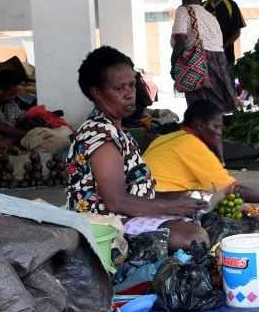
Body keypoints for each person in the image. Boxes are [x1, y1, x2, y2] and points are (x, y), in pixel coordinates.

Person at [68, 46, 208, 250]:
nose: (129, 94)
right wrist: (171, 206)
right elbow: (116, 201)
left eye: (131, 85)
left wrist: (179, 197)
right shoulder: (100, 137)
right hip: (104, 225)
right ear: (96, 93)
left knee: (201, 215)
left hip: (125, 214)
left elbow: (136, 192)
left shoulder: (118, 131)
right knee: (193, 238)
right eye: (119, 88)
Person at [144, 99, 259, 207]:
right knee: (217, 200)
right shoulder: (192, 145)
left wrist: (218, 152)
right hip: (160, 201)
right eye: (216, 127)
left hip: (143, 197)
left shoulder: (168, 138)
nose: (219, 133)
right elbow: (231, 188)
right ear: (199, 125)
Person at [171, 0, 238, 113]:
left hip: (197, 60)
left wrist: (173, 62)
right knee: (217, 106)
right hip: (220, 62)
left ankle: (200, 132)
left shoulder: (184, 9)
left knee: (199, 108)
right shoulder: (210, 16)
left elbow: (180, 40)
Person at [201, 0, 246, 71]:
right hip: (205, 59)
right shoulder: (202, 6)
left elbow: (236, 32)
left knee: (227, 85)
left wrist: (221, 48)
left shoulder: (231, 5)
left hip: (226, 58)